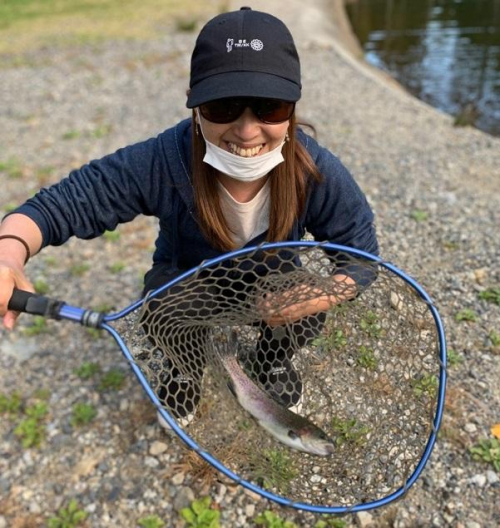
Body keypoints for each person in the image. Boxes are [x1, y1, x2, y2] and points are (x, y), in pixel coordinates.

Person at [0, 7, 378, 429]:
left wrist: (323, 294)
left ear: (292, 107)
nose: (247, 130)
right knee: (164, 309)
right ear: (195, 104)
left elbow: (361, 255)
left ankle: (271, 359)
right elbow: (60, 205)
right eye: (224, 106)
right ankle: (184, 366)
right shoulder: (163, 159)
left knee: (308, 308)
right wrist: (9, 257)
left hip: (274, 291)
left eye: (269, 108)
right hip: (189, 283)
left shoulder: (314, 170)